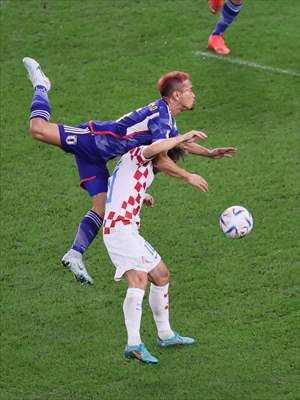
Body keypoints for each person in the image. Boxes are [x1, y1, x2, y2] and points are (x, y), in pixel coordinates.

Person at [23, 57, 236, 284]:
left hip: (99, 157)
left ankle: (75, 254)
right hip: (94, 139)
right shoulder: (161, 116)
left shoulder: (168, 119)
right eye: (190, 90)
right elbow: (159, 159)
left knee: (103, 208)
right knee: (38, 129)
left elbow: (179, 142)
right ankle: (41, 84)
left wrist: (210, 153)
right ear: (176, 95)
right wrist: (188, 176)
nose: (194, 94)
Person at [103, 131, 204, 363]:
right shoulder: (140, 153)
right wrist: (188, 175)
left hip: (128, 230)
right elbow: (156, 152)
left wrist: (142, 196)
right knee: (139, 279)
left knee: (161, 275)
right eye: (169, 160)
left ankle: (165, 334)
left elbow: (117, 186)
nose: (166, 167)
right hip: (119, 230)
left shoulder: (136, 164)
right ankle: (134, 344)